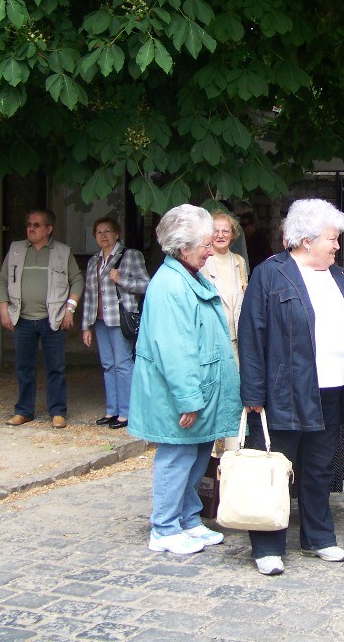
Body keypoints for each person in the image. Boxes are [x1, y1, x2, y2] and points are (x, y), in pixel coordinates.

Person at [238, 198, 344, 577]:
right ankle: (268, 547)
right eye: (332, 238)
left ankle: (318, 538)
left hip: (330, 391)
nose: (337, 245)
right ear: (307, 240)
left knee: (319, 469)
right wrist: (253, 395)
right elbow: (252, 335)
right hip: (284, 392)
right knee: (275, 469)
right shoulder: (270, 274)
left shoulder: (337, 275)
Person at [129, 205, 242, 554]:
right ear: (183, 248)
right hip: (179, 393)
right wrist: (189, 398)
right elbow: (174, 351)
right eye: (205, 245)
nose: (211, 250)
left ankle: (188, 519)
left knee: (195, 455)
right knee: (176, 457)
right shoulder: (169, 286)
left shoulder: (189, 275)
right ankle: (163, 527)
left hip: (199, 389)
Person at [0, 208, 83, 429]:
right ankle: (24, 411)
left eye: (36, 224)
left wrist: (70, 309)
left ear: (49, 229)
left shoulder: (63, 252)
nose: (31, 228)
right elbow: (2, 281)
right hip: (22, 318)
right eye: (29, 224)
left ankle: (57, 411)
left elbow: (77, 281)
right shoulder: (16, 249)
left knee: (56, 367)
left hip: (52, 318)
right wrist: (3, 308)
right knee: (24, 367)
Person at [80, 217, 150, 429]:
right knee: (108, 366)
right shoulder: (94, 261)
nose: (103, 235)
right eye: (99, 232)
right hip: (99, 320)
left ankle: (128, 412)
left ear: (117, 234)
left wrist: (121, 279)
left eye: (108, 231)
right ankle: (112, 410)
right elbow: (90, 296)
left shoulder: (130, 256)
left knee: (123, 365)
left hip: (120, 319)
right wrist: (85, 326)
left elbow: (147, 285)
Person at [199, 211, 248, 362]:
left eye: (225, 231)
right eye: (215, 231)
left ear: (232, 234)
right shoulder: (202, 262)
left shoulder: (240, 261)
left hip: (237, 340)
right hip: (212, 339)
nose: (220, 235)